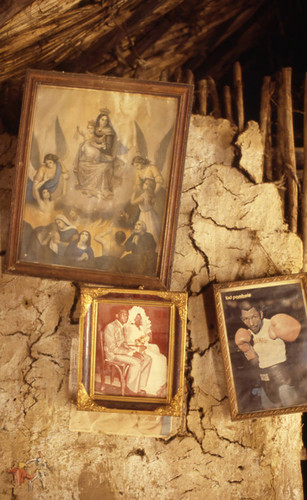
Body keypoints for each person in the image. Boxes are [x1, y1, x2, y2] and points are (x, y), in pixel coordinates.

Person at [235, 300, 301, 409]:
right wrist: (248, 351)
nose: (251, 323)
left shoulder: (273, 325)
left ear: (261, 314)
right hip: (264, 379)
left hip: (283, 377)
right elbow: (255, 362)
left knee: (292, 408)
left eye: (254, 317)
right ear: (242, 319)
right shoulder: (246, 334)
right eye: (246, 319)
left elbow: (297, 341)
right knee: (269, 410)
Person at [102, 308, 152, 396]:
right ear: (117, 316)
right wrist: (130, 353)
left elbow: (123, 344)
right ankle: (130, 389)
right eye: (123, 314)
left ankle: (140, 386)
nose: (126, 316)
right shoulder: (110, 327)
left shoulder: (122, 327)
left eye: (127, 315)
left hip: (120, 352)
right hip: (112, 355)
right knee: (136, 362)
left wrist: (132, 350)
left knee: (147, 358)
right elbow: (113, 348)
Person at [125, 307, 167, 397]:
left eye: (140, 318)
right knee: (157, 358)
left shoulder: (140, 328)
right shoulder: (129, 327)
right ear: (133, 317)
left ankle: (158, 384)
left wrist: (146, 338)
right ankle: (150, 386)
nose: (138, 319)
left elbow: (146, 339)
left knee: (163, 357)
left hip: (142, 347)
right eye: (137, 317)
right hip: (135, 349)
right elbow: (129, 342)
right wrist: (140, 343)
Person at [130, 178, 161, 245]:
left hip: (144, 216)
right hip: (152, 214)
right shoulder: (152, 195)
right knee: (153, 232)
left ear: (149, 187)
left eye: (146, 183)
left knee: (146, 232)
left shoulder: (143, 196)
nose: (143, 184)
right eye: (144, 182)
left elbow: (132, 202)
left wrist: (134, 192)